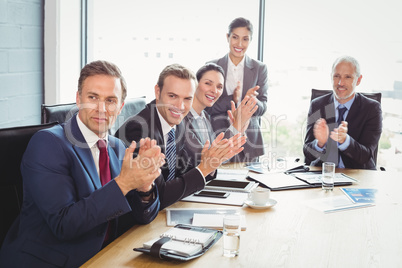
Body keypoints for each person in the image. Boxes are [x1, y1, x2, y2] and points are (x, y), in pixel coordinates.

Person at [0, 60, 165, 267]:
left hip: (106, 256)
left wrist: (144, 187)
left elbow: (142, 217)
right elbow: (64, 225)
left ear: (120, 106)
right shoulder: (48, 143)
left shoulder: (117, 147)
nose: (101, 108)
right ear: (78, 99)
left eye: (111, 100)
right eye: (93, 97)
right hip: (52, 260)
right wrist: (123, 183)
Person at [115, 63, 246, 210]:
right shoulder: (137, 130)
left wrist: (210, 164)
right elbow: (158, 196)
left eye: (187, 99)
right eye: (172, 96)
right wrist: (203, 168)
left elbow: (182, 171)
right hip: (133, 223)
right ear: (157, 92)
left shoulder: (178, 123)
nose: (180, 106)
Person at [205, 17, 268, 163]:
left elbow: (263, 107)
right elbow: (206, 106)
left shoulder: (259, 68)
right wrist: (233, 98)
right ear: (228, 37)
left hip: (249, 140)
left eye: (245, 39)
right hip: (219, 137)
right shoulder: (212, 66)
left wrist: (252, 101)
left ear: (250, 40)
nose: (239, 44)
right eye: (235, 37)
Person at [303, 56, 382, 169]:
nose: (341, 83)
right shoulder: (318, 105)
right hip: (323, 174)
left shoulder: (372, 108)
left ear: (358, 80)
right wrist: (319, 143)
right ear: (331, 77)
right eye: (337, 76)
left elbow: (366, 155)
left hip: (358, 176)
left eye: (348, 77)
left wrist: (345, 141)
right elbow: (307, 152)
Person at [183, 63, 258, 166]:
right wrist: (236, 126)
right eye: (208, 83)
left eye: (219, 87)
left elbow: (222, 158)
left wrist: (238, 129)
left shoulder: (205, 117)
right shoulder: (182, 118)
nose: (214, 91)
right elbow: (206, 159)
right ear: (195, 84)